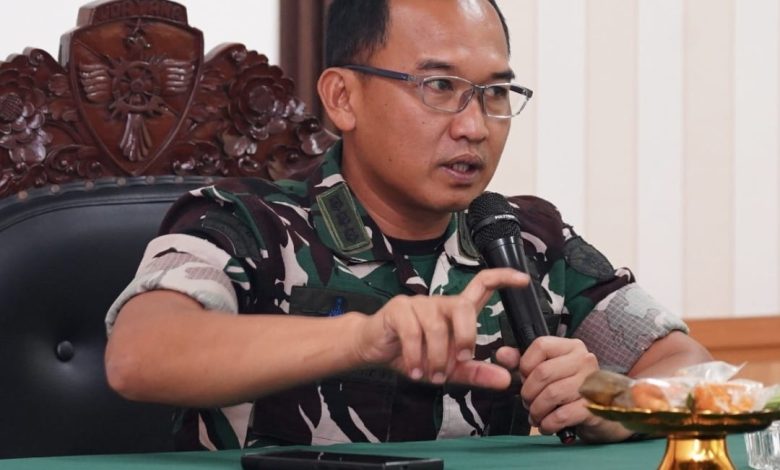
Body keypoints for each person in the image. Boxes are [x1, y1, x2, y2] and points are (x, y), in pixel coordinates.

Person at [104, 0, 712, 450]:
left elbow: (694, 368)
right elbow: (140, 355)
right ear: (343, 98)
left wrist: (621, 403)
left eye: (495, 93)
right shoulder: (247, 222)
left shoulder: (524, 236)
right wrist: (360, 340)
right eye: (440, 86)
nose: (474, 126)